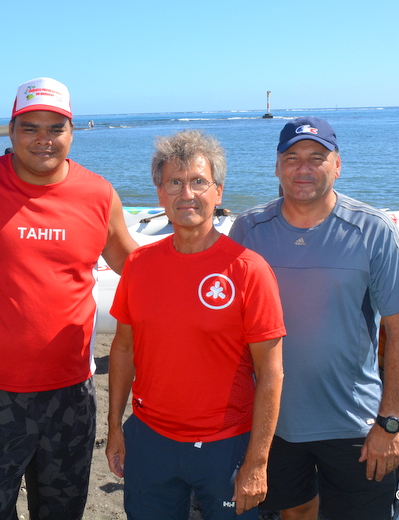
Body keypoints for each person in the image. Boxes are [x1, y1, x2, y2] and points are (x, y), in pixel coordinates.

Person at [0, 77, 138, 520]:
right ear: (11, 131)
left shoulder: (99, 195)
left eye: (55, 128)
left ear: (72, 131)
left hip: (70, 395)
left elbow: (140, 268)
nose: (43, 139)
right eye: (30, 127)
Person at [230, 116, 399, 520]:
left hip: (355, 422)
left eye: (317, 158)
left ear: (337, 165)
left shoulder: (373, 230)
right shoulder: (249, 229)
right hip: (275, 421)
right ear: (277, 166)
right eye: (292, 157)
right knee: (296, 511)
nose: (304, 168)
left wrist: (390, 422)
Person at [106, 130, 286, 519]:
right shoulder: (139, 266)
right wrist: (115, 426)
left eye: (198, 182)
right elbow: (122, 347)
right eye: (174, 182)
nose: (186, 193)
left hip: (226, 446)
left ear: (218, 192)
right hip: (151, 440)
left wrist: (257, 463)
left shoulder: (249, 270)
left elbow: (270, 373)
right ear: (159, 194)